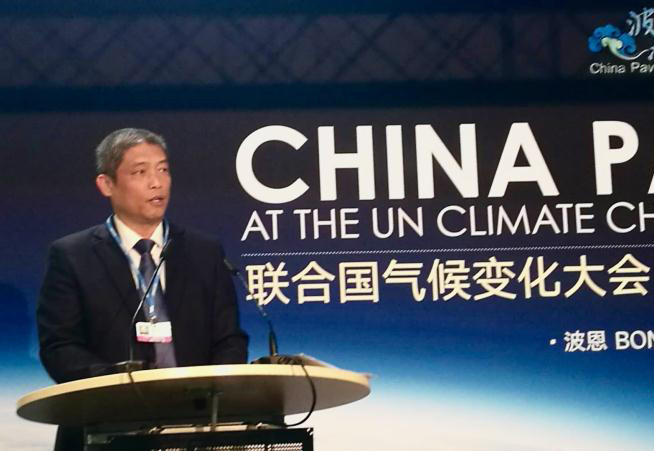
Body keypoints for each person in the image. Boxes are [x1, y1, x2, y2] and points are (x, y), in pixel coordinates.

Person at [37, 128, 248, 450]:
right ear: (106, 184)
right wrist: (122, 385)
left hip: (196, 427)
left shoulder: (203, 251)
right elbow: (60, 347)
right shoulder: (72, 255)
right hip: (106, 429)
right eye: (140, 172)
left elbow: (229, 339)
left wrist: (209, 395)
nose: (156, 182)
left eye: (163, 169)